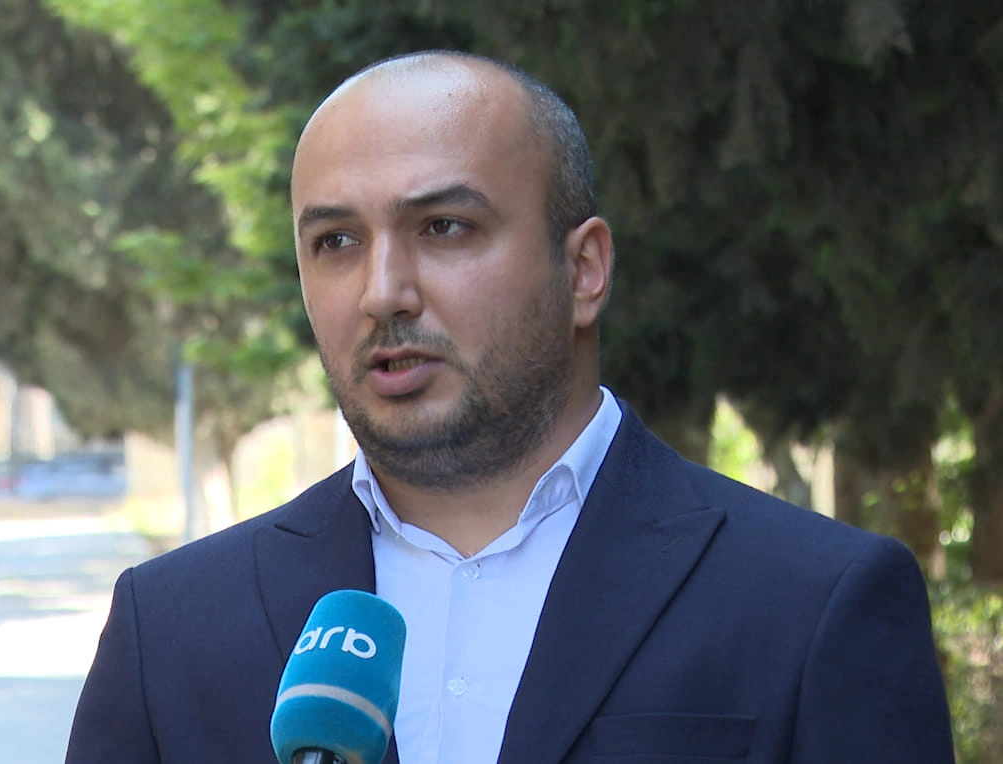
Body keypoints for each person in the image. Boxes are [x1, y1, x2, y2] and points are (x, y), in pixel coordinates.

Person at [64, 50, 954, 763]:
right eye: (336, 241)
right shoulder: (168, 628)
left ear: (585, 270)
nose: (383, 291)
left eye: (444, 227)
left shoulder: (812, 602)